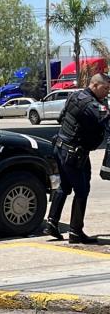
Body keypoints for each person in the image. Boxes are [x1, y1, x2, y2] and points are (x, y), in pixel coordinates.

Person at [44, 73, 110, 243]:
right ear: (95, 85)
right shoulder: (90, 103)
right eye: (105, 88)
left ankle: (51, 222)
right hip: (73, 153)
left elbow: (61, 117)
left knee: (64, 187)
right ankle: (75, 231)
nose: (107, 92)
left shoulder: (75, 95)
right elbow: (106, 118)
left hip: (62, 148)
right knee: (82, 191)